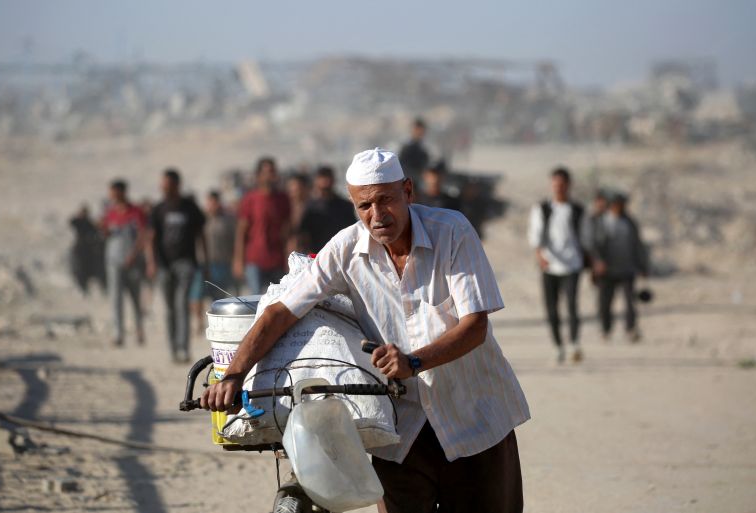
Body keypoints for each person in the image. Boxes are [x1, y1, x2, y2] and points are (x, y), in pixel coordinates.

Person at [203, 148, 529, 513]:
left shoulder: (452, 232)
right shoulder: (344, 249)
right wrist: (233, 375)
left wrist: (413, 361)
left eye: (386, 200)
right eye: (364, 206)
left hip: (475, 422)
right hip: (402, 433)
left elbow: (474, 327)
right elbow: (280, 312)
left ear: (408, 190)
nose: (376, 215)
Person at [527, 167, 587, 364]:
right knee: (552, 309)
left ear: (568, 185)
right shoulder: (542, 209)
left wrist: (592, 260)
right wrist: (540, 256)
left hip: (572, 264)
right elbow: (535, 236)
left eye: (562, 184)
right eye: (555, 184)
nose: (558, 188)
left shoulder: (577, 210)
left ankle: (574, 344)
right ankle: (558, 345)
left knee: (571, 306)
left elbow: (586, 238)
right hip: (549, 265)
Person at [147, 168, 207, 363]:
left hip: (186, 262)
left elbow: (200, 234)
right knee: (170, 308)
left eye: (168, 184)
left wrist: (203, 259)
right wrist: (152, 262)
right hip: (165, 265)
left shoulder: (190, 207)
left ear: (176, 185)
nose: (165, 188)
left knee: (182, 304)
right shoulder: (158, 209)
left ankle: (183, 348)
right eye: (163, 185)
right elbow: (151, 237)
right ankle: (173, 349)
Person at [592, 193, 649, 342]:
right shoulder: (602, 222)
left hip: (627, 269)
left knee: (630, 302)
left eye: (622, 204)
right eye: (618, 204)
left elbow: (638, 245)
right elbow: (595, 245)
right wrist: (598, 262)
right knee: (605, 303)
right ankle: (606, 329)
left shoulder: (630, 223)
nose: (620, 207)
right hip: (607, 271)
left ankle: (630, 329)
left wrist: (642, 266)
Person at [233, 157, 291, 294]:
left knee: (279, 301)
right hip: (255, 260)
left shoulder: (283, 199)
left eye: (273, 172)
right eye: (267, 172)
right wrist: (238, 260)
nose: (271, 176)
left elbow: (288, 231)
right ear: (259, 175)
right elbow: (241, 232)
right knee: (256, 301)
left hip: (277, 260)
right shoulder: (250, 199)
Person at [101, 180, 147, 347]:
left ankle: (139, 329)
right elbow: (105, 233)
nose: (112, 196)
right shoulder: (110, 213)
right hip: (114, 262)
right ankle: (118, 333)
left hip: (132, 262)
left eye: (114, 192)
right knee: (116, 299)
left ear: (122, 192)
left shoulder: (135, 212)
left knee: (135, 298)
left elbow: (143, 235)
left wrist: (134, 254)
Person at [190, 191, 236, 332]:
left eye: (215, 202)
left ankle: (217, 322)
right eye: (210, 202)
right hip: (202, 264)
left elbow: (233, 241)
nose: (213, 205)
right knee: (196, 295)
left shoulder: (227, 221)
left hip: (221, 263)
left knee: (218, 298)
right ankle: (198, 321)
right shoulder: (200, 220)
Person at [297, 165, 357, 253]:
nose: (326, 182)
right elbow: (303, 234)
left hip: (342, 253)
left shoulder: (345, 205)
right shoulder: (309, 207)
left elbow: (353, 230)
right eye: (323, 178)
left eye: (328, 178)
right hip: (317, 254)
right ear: (316, 181)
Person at [68, 205, 106, 295]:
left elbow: (96, 230)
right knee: (78, 268)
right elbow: (72, 222)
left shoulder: (89, 223)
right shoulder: (78, 222)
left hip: (90, 250)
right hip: (80, 249)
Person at [284, 172, 311, 254]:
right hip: (289, 255)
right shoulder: (284, 209)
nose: (295, 193)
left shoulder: (313, 209)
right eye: (292, 190)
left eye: (298, 190)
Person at [398, 118, 430, 182]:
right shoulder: (407, 149)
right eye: (417, 130)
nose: (420, 132)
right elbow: (404, 168)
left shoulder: (422, 149)